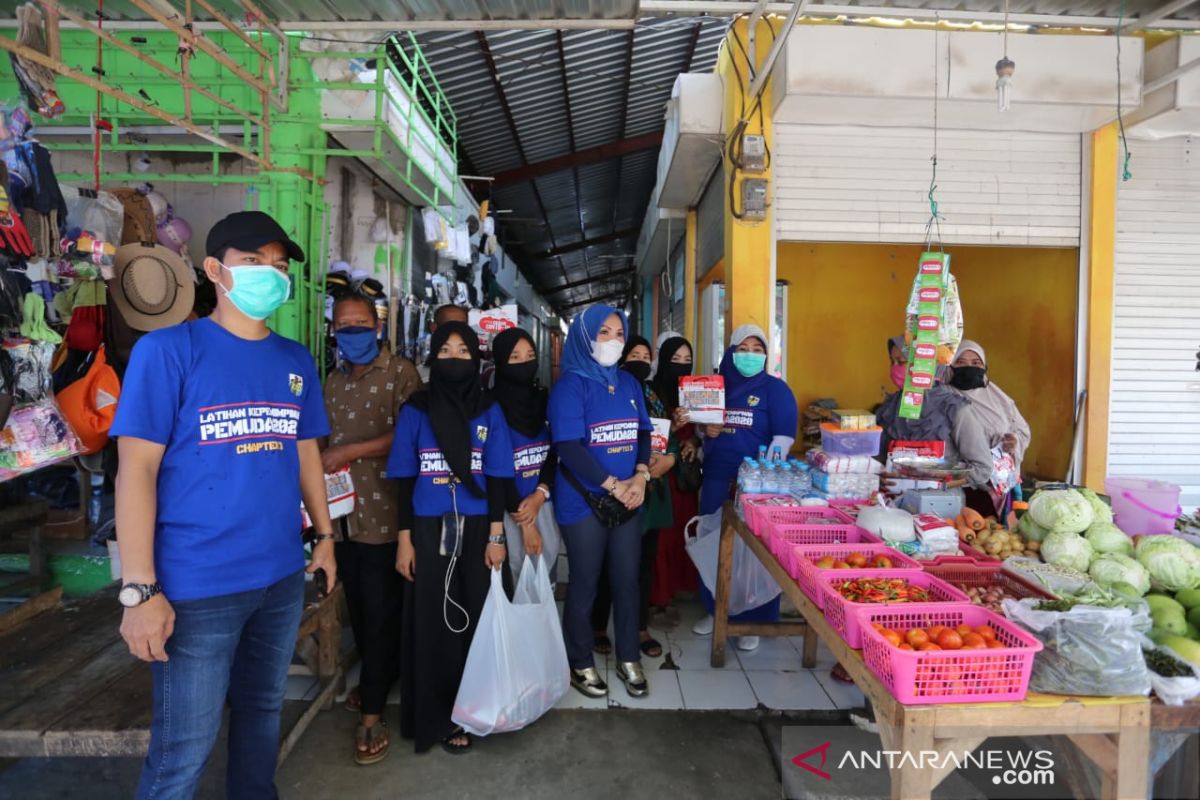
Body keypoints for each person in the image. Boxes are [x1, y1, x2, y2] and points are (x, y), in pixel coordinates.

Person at [111, 210, 337, 800]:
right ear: (215, 270)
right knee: (183, 748)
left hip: (280, 576)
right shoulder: (168, 351)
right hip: (196, 587)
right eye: (254, 262)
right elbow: (136, 469)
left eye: (280, 266)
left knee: (263, 713)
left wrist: (326, 537)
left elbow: (306, 452)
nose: (271, 274)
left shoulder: (294, 361)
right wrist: (140, 590)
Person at [387, 321, 511, 755]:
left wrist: (497, 535)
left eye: (464, 350)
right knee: (435, 625)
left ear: (476, 358)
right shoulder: (416, 410)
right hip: (428, 527)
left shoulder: (489, 410)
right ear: (432, 356)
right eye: (446, 350)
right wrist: (405, 539)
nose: (455, 357)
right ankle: (439, 716)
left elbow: (496, 478)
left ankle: (477, 709)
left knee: (477, 621)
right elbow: (404, 479)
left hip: (479, 529)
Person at [322, 292, 422, 765]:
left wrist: (347, 453)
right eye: (345, 325)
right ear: (334, 330)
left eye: (361, 323)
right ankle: (376, 679)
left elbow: (409, 435)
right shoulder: (331, 382)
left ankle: (373, 713)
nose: (354, 332)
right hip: (340, 519)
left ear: (378, 327)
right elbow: (319, 439)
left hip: (385, 512)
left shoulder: (401, 373)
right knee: (358, 606)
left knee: (383, 609)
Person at [549, 305, 653, 699]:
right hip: (583, 502)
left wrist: (640, 477)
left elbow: (643, 432)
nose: (613, 341)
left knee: (627, 580)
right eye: (604, 332)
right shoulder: (570, 385)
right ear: (585, 336)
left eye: (619, 333)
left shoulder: (628, 384)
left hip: (629, 495)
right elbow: (569, 447)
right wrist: (614, 484)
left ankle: (629, 657)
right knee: (585, 582)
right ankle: (580, 661)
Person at [692, 325, 798, 651]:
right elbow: (700, 427)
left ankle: (756, 619)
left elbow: (783, 438)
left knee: (755, 552)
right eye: (743, 347)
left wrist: (765, 476)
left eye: (757, 348)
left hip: (758, 485)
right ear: (730, 350)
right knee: (711, 543)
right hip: (716, 476)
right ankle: (714, 609)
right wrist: (703, 430)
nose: (750, 355)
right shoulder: (714, 386)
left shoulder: (775, 390)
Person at [591, 336, 676, 659]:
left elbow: (666, 438)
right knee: (603, 562)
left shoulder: (654, 395)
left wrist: (668, 461)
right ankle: (598, 624)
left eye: (646, 355)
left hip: (651, 493)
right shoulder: (606, 390)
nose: (640, 360)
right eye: (634, 354)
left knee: (642, 563)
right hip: (613, 489)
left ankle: (640, 628)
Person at [876, 334, 993, 493]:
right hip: (892, 506)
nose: (895, 368)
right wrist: (879, 477)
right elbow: (878, 458)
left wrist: (939, 482)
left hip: (940, 507)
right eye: (892, 362)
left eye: (902, 362)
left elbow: (982, 468)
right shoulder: (890, 407)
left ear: (925, 364)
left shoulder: (954, 409)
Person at [490, 327, 560, 581]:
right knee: (513, 585)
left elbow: (554, 451)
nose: (524, 363)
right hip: (510, 512)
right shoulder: (490, 407)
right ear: (501, 362)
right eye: (515, 357)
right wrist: (525, 523)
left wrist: (541, 494)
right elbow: (495, 469)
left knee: (544, 583)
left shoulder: (543, 399)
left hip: (544, 505)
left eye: (530, 355)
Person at [946, 339, 1031, 516]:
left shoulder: (999, 398)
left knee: (997, 534)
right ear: (950, 366)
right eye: (961, 362)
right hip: (965, 486)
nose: (969, 367)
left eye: (976, 363)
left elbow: (1022, 430)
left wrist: (1014, 441)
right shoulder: (944, 398)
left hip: (1002, 484)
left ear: (985, 368)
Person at [649, 334, 701, 613]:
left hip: (685, 479)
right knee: (662, 538)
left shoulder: (697, 392)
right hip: (661, 477)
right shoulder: (652, 392)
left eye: (687, 360)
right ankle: (658, 594)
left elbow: (705, 429)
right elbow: (649, 433)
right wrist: (672, 424)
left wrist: (694, 440)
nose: (682, 366)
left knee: (684, 531)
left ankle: (679, 587)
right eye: (675, 360)